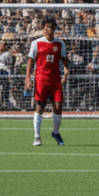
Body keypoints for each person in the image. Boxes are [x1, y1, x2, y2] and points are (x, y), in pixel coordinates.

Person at [26, 17, 70, 146]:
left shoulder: (60, 44)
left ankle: (55, 132)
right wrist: (28, 78)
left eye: (49, 27)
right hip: (41, 79)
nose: (47, 30)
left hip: (55, 79)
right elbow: (30, 62)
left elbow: (64, 59)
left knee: (58, 107)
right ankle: (37, 137)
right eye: (45, 27)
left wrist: (67, 69)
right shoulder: (36, 43)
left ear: (54, 28)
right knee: (40, 107)